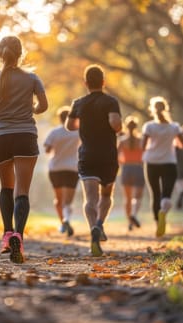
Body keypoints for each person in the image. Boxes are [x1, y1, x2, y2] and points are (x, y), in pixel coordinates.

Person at [0, 35, 48, 264]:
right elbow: (43, 106)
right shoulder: (32, 78)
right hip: (26, 135)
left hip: (0, 136)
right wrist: (33, 109)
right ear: (20, 54)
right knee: (22, 191)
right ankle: (19, 233)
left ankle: (8, 235)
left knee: (6, 187)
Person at [65, 64, 122, 257]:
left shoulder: (78, 103)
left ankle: (93, 231)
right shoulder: (111, 101)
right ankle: (99, 224)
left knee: (90, 198)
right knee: (106, 195)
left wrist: (84, 120)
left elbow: (70, 126)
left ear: (86, 83)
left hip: (87, 155)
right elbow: (116, 124)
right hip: (108, 155)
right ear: (103, 82)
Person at [141, 96, 183, 238]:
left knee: (155, 194)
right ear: (166, 109)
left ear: (153, 110)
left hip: (151, 162)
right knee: (166, 194)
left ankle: (157, 223)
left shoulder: (149, 126)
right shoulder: (174, 127)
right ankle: (163, 213)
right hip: (169, 163)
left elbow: (142, 146)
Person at [44, 106, 80, 237]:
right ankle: (67, 220)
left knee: (58, 200)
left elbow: (47, 150)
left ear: (59, 118)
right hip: (72, 168)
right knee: (68, 201)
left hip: (55, 168)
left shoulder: (54, 132)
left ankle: (62, 222)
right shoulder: (77, 132)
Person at [117, 115, 145, 231]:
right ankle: (133, 214)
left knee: (127, 198)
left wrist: (123, 161)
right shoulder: (141, 141)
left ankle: (129, 221)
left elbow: (116, 157)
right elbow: (145, 155)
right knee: (137, 197)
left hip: (126, 168)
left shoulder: (122, 141)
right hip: (138, 168)